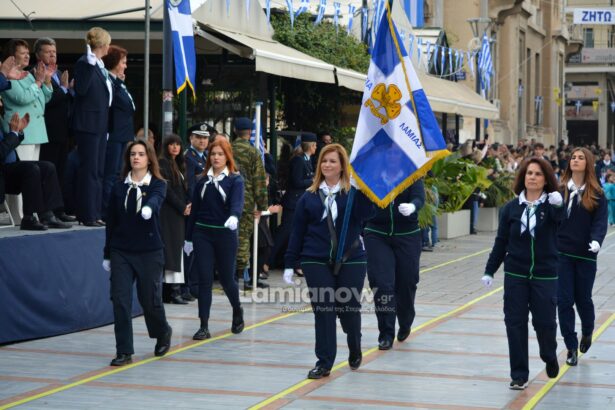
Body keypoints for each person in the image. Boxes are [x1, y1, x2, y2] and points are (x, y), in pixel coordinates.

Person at [283, 143, 374, 379]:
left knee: (348, 308)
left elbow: (367, 215)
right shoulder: (309, 196)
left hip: (351, 258)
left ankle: (354, 343)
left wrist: (361, 190)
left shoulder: (352, 193)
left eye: (333, 161)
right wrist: (289, 263)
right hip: (315, 259)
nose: (327, 165)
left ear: (342, 165)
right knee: (324, 310)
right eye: (324, 161)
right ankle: (324, 362)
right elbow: (297, 232)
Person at [482, 157, 563, 390]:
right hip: (515, 275)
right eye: (529, 173)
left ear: (546, 179)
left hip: (545, 274)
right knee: (514, 322)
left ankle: (549, 354)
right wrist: (490, 270)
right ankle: (519, 374)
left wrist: (558, 206)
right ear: (523, 177)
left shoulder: (551, 205)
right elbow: (501, 242)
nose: (532, 177)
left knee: (545, 323)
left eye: (538, 174)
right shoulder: (511, 208)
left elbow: (561, 222)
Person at [102, 140, 172, 366]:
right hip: (121, 250)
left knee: (149, 300)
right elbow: (111, 221)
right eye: (133, 154)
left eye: (141, 154)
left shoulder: (158, 184)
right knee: (120, 299)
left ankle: (162, 331)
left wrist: (149, 207)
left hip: (149, 251)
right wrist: (107, 253)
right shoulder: (119, 186)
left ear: (149, 158)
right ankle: (124, 351)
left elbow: (157, 198)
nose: (136, 158)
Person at [183, 139, 245, 340]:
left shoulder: (235, 180)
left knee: (227, 279)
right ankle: (203, 325)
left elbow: (237, 203)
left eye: (220, 154)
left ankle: (237, 309)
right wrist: (188, 238)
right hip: (203, 233)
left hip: (225, 234)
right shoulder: (202, 180)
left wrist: (234, 216)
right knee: (204, 279)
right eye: (213, 154)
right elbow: (195, 210)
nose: (216, 157)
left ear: (227, 156)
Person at [364, 153, 425, 350]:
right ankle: (386, 332)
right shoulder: (373, 174)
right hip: (377, 233)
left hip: (407, 234)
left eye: (396, 153)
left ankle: (405, 321)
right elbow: (361, 200)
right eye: (389, 153)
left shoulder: (412, 175)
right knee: (382, 284)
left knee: (407, 282)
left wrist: (413, 206)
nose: (392, 156)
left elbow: (419, 197)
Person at [556, 147, 608, 366]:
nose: (575, 160)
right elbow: (550, 219)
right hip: (562, 254)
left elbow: (600, 221)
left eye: (580, 158)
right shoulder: (559, 191)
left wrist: (596, 240)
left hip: (586, 255)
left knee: (583, 299)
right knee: (563, 301)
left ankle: (587, 331)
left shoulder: (597, 193)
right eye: (573, 157)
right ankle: (570, 346)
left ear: (588, 163)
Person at [72, 27, 112, 227]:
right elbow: (81, 89)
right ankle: (87, 214)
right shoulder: (85, 63)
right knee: (89, 170)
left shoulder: (100, 65)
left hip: (99, 125)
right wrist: (89, 65)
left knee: (98, 170)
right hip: (88, 125)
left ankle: (95, 213)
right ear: (102, 44)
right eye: (108, 43)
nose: (109, 47)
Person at [34, 37, 74, 207]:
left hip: (62, 131)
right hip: (47, 131)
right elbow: (46, 101)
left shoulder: (58, 73)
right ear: (38, 55)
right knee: (48, 171)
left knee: (60, 170)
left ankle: (58, 209)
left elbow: (64, 99)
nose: (52, 55)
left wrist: (70, 90)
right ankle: (47, 209)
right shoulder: (35, 73)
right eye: (48, 52)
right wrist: (64, 89)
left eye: (54, 52)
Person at [268, 134, 316, 274]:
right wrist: (313, 181)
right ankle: (267, 260)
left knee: (300, 233)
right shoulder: (298, 160)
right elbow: (296, 181)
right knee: (284, 232)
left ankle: (297, 264)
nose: (315, 148)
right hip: (293, 202)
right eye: (314, 145)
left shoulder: (307, 159)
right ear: (310, 146)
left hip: (301, 202)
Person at [1, 39, 53, 161]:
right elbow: (22, 97)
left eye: (28, 53)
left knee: (34, 169)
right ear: (12, 56)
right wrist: (38, 81)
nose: (27, 56)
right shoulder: (7, 75)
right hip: (21, 130)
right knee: (26, 170)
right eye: (23, 53)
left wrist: (46, 81)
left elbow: (43, 99)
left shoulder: (28, 74)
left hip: (36, 131)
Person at [231, 117, 268, 290]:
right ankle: (242, 276)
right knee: (244, 240)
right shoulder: (253, 152)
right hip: (246, 202)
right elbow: (259, 181)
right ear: (250, 132)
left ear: (235, 130)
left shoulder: (227, 149)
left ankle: (231, 274)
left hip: (226, 199)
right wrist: (262, 207)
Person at [102, 45, 136, 218]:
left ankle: (114, 209)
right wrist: (118, 82)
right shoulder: (109, 80)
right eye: (123, 62)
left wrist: (120, 81)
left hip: (123, 135)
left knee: (119, 174)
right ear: (114, 63)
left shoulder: (118, 82)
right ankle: (106, 211)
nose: (125, 66)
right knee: (111, 174)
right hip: (114, 134)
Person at [158, 135, 191, 305]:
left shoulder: (178, 164)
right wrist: (182, 206)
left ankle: (174, 290)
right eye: (171, 144)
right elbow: (167, 190)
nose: (175, 147)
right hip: (169, 213)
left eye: (178, 144)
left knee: (176, 250)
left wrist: (187, 205)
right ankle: (172, 292)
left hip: (178, 213)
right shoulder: (162, 163)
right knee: (172, 251)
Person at [184, 123, 210, 200]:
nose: (202, 141)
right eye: (198, 137)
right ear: (191, 138)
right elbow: (190, 185)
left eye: (205, 138)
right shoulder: (188, 157)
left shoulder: (207, 155)